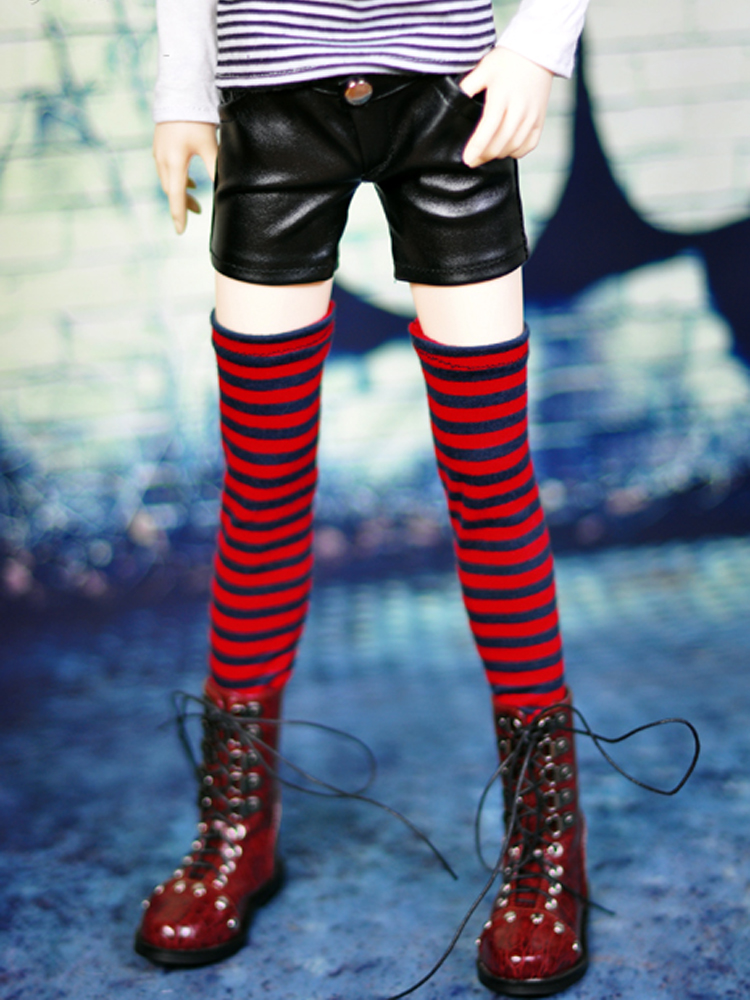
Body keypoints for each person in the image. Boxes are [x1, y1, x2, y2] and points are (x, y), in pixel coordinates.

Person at [135, 1, 592, 995]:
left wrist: (539, 42)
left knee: (491, 478)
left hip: (452, 101)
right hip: (272, 96)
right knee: (261, 485)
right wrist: (182, 88)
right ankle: (236, 828)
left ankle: (549, 843)